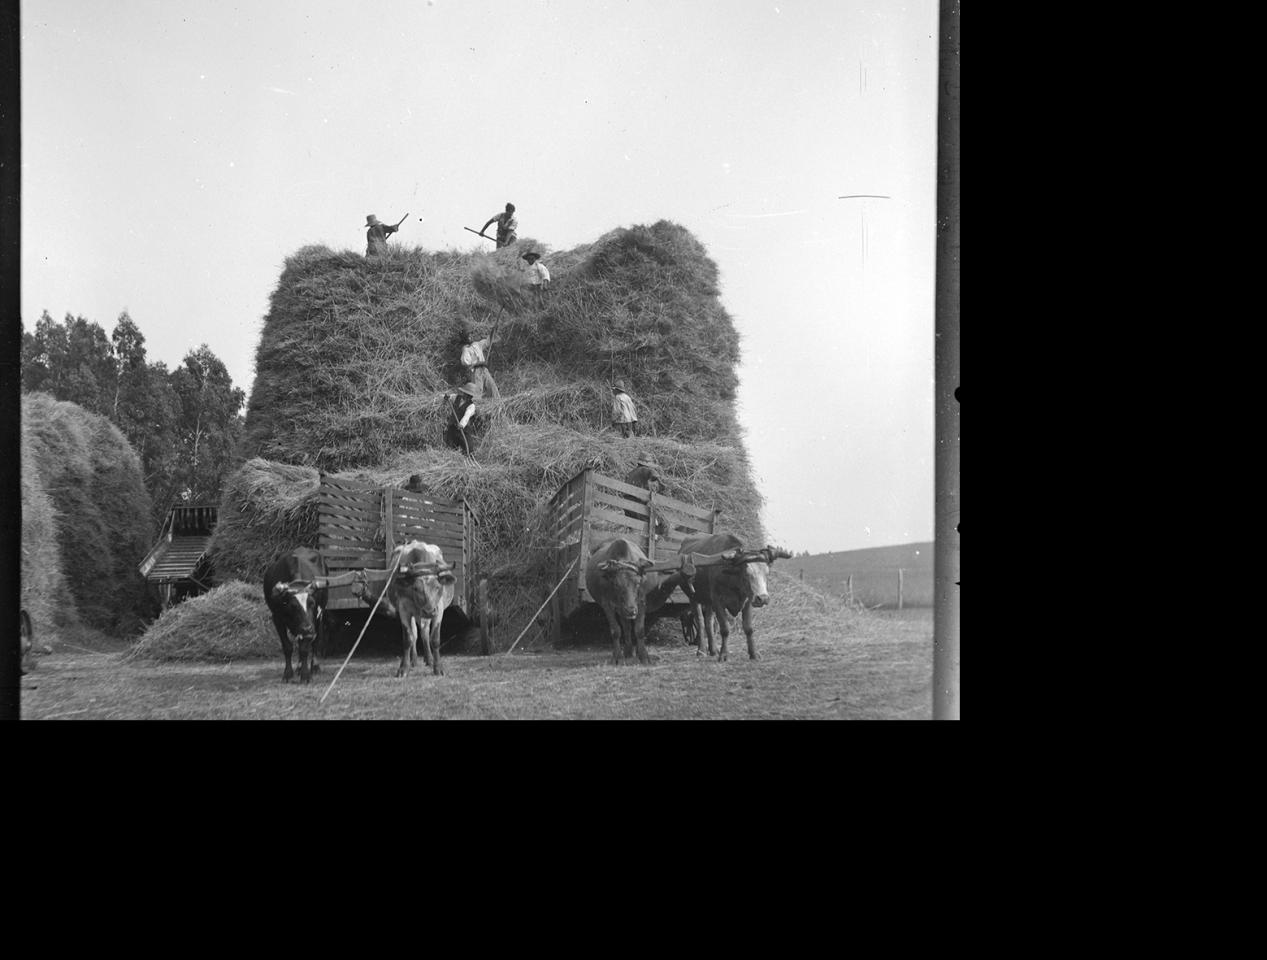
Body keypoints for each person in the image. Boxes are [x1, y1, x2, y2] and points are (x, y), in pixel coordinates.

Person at [459, 321, 501, 399]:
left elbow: (488, 342)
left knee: (493, 388)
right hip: (476, 373)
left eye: (471, 334)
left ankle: (498, 404)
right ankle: (475, 408)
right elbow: (467, 365)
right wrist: (480, 363)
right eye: (468, 335)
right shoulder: (466, 350)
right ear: (464, 338)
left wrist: (493, 332)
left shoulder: (477, 344)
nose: (470, 336)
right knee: (477, 393)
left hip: (484, 370)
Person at [443, 383, 480, 455]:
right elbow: (448, 397)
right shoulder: (456, 397)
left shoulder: (471, 406)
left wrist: (462, 424)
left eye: (470, 395)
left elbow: (467, 416)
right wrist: (446, 397)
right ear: (464, 393)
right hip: (453, 426)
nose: (468, 396)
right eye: (467, 394)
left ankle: (468, 458)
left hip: (463, 429)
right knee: (450, 447)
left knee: (469, 448)